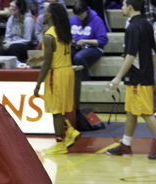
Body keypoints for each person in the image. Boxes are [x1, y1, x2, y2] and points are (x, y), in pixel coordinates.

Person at [107, 0, 156, 159]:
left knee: (145, 112)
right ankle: (126, 144)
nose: (122, 8)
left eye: (123, 5)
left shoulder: (132, 27)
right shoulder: (146, 24)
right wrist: (153, 74)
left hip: (137, 77)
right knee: (131, 111)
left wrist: (118, 77)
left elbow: (130, 56)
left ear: (130, 7)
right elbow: (153, 52)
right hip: (143, 76)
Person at [33, 3, 78, 155]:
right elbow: (54, 55)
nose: (42, 15)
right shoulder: (64, 32)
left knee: (56, 111)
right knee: (61, 109)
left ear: (50, 15)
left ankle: (60, 145)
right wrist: (36, 59)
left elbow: (47, 63)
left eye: (44, 12)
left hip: (56, 74)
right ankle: (69, 132)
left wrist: (38, 84)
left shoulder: (48, 35)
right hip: (68, 71)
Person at [70, 0, 108, 81]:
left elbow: (103, 40)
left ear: (86, 11)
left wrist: (86, 41)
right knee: (67, 53)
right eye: (77, 15)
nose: (79, 17)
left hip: (94, 47)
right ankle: (70, 80)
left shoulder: (96, 20)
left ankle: (83, 82)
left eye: (81, 14)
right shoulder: (73, 20)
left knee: (78, 57)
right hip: (76, 46)